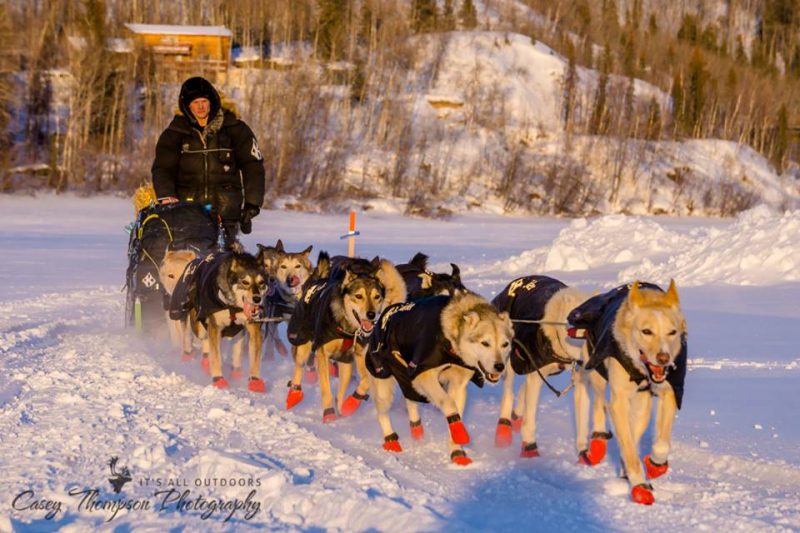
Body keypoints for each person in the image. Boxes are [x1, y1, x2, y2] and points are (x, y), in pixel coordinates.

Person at [151, 76, 265, 248]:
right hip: (187, 212)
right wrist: (167, 197)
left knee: (222, 264)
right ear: (187, 105)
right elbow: (162, 168)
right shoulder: (174, 133)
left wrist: (252, 204)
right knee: (191, 264)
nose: (200, 106)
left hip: (226, 214)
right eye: (195, 102)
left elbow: (253, 166)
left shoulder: (235, 129)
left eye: (204, 101)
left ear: (212, 102)